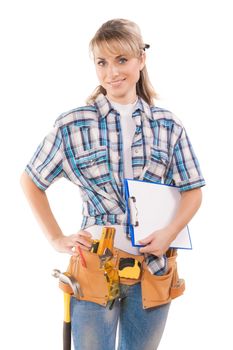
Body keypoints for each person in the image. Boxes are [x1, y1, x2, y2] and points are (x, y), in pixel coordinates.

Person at [20, 18, 205, 350]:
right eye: (102, 62)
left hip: (153, 266)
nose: (111, 72)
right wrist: (55, 238)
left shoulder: (168, 125)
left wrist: (166, 235)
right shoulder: (73, 124)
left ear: (141, 60)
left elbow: (193, 192)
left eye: (121, 60)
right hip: (94, 265)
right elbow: (31, 180)